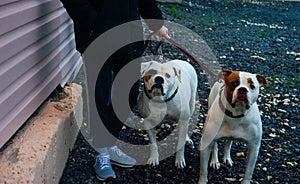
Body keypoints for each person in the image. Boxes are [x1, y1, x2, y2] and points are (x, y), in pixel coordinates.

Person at [60, 0, 170, 181]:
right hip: (96, 37)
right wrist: (94, 22)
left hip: (130, 35)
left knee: (129, 93)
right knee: (100, 96)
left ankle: (109, 143)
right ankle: (102, 152)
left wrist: (156, 23)